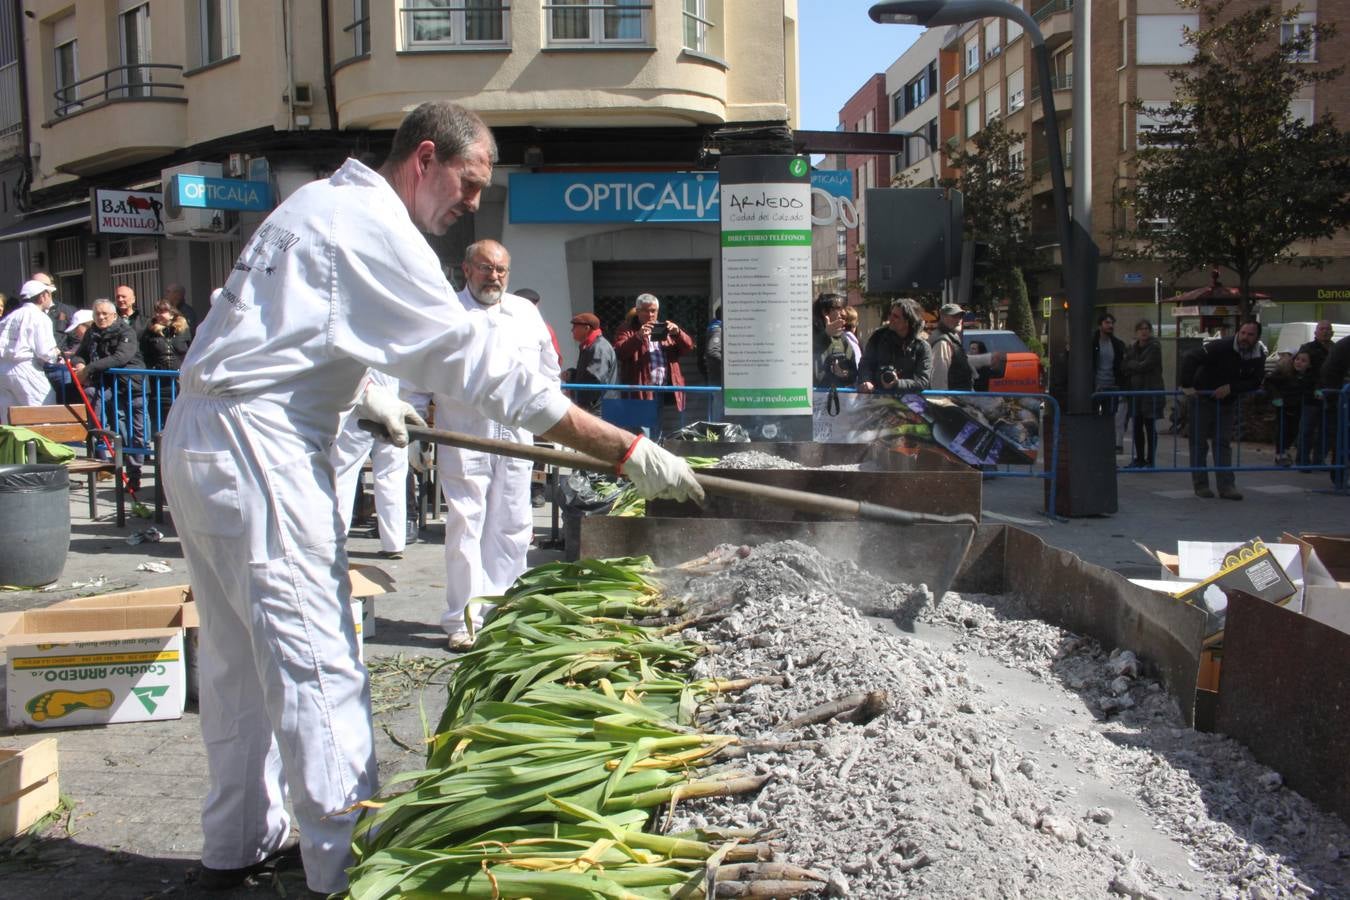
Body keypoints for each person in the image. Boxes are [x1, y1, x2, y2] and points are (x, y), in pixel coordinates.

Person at [159, 101, 701, 897]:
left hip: (203, 437)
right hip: (257, 452)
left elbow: (295, 332)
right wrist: (620, 446)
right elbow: (475, 364)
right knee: (317, 661)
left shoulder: (315, 204)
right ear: (424, 157)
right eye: (470, 182)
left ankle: (238, 843)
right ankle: (347, 871)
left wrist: (362, 394)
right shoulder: (373, 225)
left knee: (240, 661)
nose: (473, 202)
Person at [411, 239, 561, 649]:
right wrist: (413, 430)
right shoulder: (445, 313)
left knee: (514, 525)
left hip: (515, 436)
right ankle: (463, 619)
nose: (493, 276)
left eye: (501, 270)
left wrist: (549, 416)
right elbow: (416, 379)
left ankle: (504, 613)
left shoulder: (525, 313)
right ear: (466, 268)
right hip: (463, 435)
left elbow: (549, 370)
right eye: (485, 268)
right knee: (465, 526)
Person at [1179, 320, 1267, 500]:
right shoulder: (1220, 346)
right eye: (1243, 333)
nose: (1245, 337)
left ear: (1257, 337)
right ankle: (1201, 486)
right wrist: (1187, 386)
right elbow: (1191, 357)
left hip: (1227, 402)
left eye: (1250, 335)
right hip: (1203, 398)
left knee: (1223, 443)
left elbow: (1255, 381)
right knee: (1199, 444)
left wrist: (1232, 388)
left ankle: (1227, 486)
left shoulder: (1258, 354)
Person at [330, 368, 413, 559]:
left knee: (343, 473)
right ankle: (394, 542)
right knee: (392, 474)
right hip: (389, 398)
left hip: (362, 400)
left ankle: (335, 541)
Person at [71, 298, 146, 491]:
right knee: (117, 429)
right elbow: (80, 353)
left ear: (114, 315)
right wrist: (80, 363)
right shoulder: (92, 332)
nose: (101, 317)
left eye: (105, 313)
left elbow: (121, 357)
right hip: (109, 388)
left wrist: (89, 368)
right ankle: (111, 466)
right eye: (97, 314)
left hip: (131, 387)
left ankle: (135, 473)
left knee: (135, 432)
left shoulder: (125, 331)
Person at [615, 292, 695, 411]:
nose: (650, 314)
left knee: (658, 427)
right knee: (642, 427)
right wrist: (638, 336)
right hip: (641, 390)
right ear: (637, 311)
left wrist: (678, 333)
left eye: (654, 311)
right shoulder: (628, 329)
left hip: (663, 390)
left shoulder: (664, 328)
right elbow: (620, 352)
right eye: (646, 311)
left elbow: (688, 347)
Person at [0, 279, 61, 421]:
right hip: (25, 368)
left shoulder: (10, 316)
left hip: (4, 370)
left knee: (10, 416)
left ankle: (16, 443)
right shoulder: (40, 317)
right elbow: (45, 352)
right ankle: (41, 442)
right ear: (42, 296)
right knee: (43, 409)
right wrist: (56, 355)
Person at [858, 297, 932, 393]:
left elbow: (923, 381)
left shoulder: (922, 346)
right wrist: (866, 380)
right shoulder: (878, 338)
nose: (890, 319)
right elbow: (865, 364)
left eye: (896, 316)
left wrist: (898, 383)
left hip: (909, 403)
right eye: (890, 315)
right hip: (877, 399)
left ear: (908, 321)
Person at [140, 299, 193, 432]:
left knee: (180, 415)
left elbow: (189, 350)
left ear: (171, 313)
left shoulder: (183, 330)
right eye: (157, 311)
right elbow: (145, 353)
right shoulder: (150, 331)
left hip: (179, 380)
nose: (159, 315)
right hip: (159, 380)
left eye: (163, 311)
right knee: (159, 414)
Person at [1121, 319, 1165, 469]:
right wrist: (1133, 365)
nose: (1144, 331)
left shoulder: (1154, 347)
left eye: (1146, 329)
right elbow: (1124, 366)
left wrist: (1133, 365)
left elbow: (1144, 365)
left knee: (1150, 425)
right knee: (1137, 426)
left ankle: (1150, 460)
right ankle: (1139, 458)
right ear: (1136, 332)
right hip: (1136, 393)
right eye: (1141, 329)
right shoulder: (1133, 348)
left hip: (1150, 391)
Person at [1264, 350, 1316, 467]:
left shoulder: (1309, 378)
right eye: (1297, 359)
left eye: (1303, 361)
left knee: (1294, 430)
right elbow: (1269, 382)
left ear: (1309, 364)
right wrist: (1276, 396)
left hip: (1298, 407)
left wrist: (1317, 391)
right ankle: (1280, 454)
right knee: (1283, 429)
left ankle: (1286, 450)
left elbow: (1315, 385)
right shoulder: (1285, 374)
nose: (1299, 363)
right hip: (1283, 406)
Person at [1296, 320, 1335, 463]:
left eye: (1328, 329)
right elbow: (1300, 369)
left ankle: (1319, 459)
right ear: (1316, 332)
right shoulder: (1307, 348)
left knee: (1326, 431)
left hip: (1330, 395)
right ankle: (1303, 460)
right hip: (1311, 395)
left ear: (1332, 332)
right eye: (1322, 329)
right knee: (1307, 429)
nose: (1325, 331)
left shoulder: (1335, 349)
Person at [564, 312, 617, 413]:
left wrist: (573, 392)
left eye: (575, 327)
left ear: (586, 328)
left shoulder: (599, 348)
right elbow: (588, 375)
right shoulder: (591, 345)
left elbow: (594, 380)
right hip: (594, 408)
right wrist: (572, 374)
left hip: (598, 410)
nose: (572, 330)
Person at [1091, 314, 1126, 449]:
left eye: (1112, 323)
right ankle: (1095, 446)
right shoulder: (1093, 342)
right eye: (1107, 323)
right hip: (1096, 386)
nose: (1110, 326)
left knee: (1109, 419)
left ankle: (1107, 447)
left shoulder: (1117, 344)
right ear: (1100, 325)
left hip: (1112, 386)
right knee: (1093, 417)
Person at [812, 294, 858, 389]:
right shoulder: (806, 334)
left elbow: (854, 372)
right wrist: (825, 335)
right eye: (839, 308)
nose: (844, 313)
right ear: (825, 312)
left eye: (844, 309)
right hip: (813, 399)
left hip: (838, 399)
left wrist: (845, 374)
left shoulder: (841, 337)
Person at [928, 303, 973, 391]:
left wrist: (988, 359)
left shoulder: (951, 337)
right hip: (956, 397)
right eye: (954, 316)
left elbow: (960, 361)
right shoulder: (942, 342)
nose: (959, 320)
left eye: (960, 316)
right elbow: (939, 378)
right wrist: (942, 401)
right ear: (943, 317)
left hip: (961, 393)